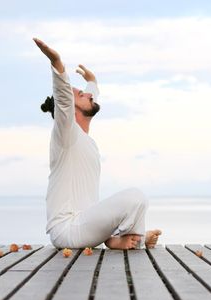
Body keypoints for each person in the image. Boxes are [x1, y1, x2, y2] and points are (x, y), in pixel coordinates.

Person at [33, 38, 161, 250]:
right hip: (67, 230)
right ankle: (124, 239)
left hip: (84, 224)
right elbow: (64, 98)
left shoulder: (84, 139)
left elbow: (87, 98)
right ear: (69, 111)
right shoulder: (65, 134)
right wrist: (57, 64)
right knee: (135, 196)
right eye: (81, 94)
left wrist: (92, 83)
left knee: (140, 200)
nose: (88, 94)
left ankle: (122, 238)